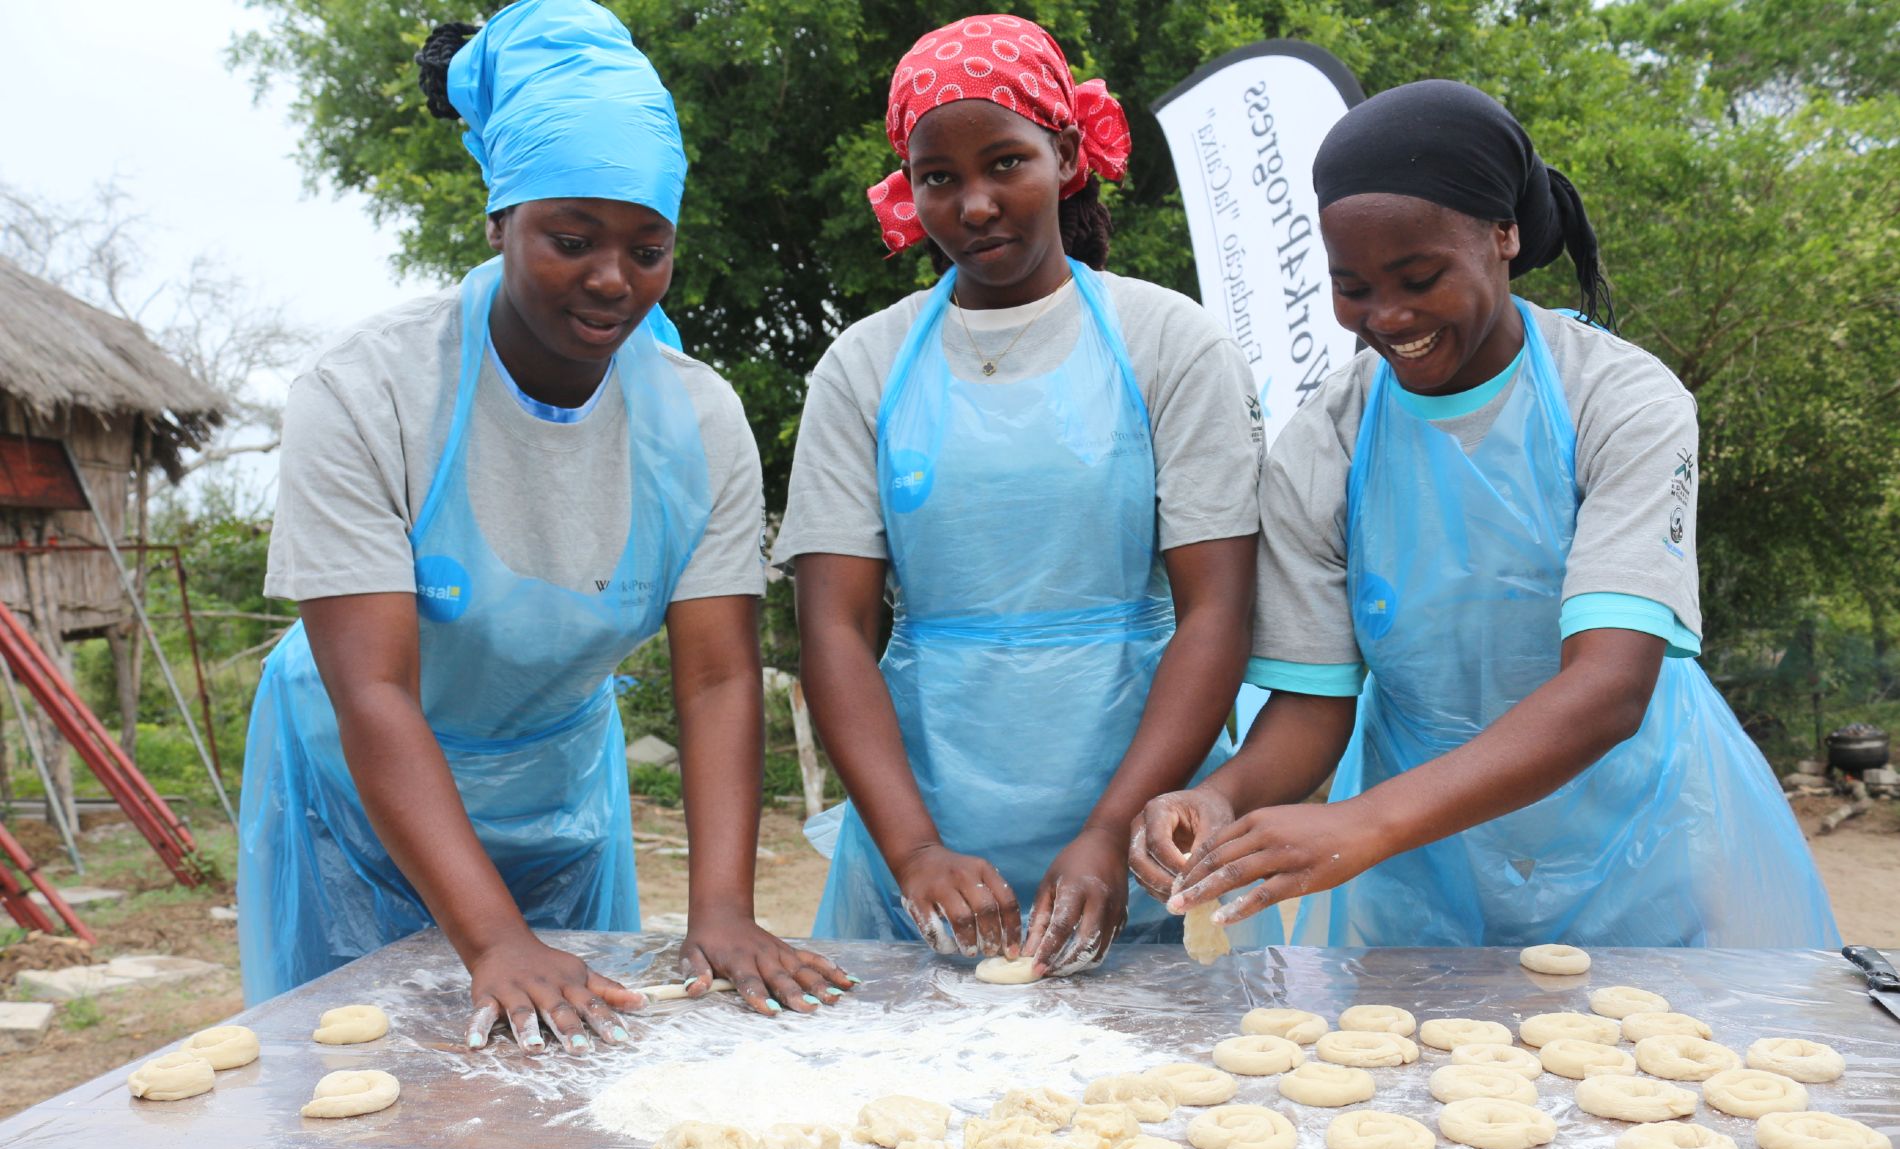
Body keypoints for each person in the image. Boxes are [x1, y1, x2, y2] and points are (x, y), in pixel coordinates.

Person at [237, 0, 851, 1050]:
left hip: (556, 790)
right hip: (353, 790)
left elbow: (712, 677)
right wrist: (492, 939)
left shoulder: (697, 420)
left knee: (567, 1118)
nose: (613, 280)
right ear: (497, 222)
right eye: (572, 240)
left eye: (647, 249)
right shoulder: (367, 393)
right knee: (367, 1104)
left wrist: (720, 913)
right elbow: (373, 688)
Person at [1134, 79, 1838, 948]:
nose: (1387, 317)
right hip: (1420, 873)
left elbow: (1610, 686)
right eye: (1350, 287)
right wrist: (1223, 794)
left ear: (1504, 234)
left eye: (1420, 277)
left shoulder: (1621, 401)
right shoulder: (1326, 443)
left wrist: (1367, 821)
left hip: (1635, 842)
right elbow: (1316, 705)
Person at [775, 15, 1262, 975]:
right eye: (939, 177)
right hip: (921, 824)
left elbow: (1217, 613)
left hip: (1141, 832)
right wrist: (913, 848)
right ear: (908, 187)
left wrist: (1112, 832)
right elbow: (833, 629)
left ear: (1067, 155)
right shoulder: (864, 365)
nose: (975, 204)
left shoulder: (1171, 344)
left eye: (1006, 163)